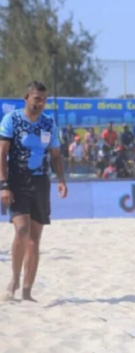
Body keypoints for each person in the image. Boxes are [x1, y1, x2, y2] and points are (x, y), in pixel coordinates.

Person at [0, 81, 68, 302]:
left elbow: (56, 155)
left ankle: (27, 290)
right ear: (26, 98)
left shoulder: (49, 123)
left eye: (44, 99)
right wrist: (3, 185)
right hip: (17, 181)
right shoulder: (12, 120)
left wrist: (61, 180)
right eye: (37, 98)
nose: (41, 103)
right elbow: (2, 154)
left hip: (41, 182)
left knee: (35, 238)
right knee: (21, 231)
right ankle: (14, 280)